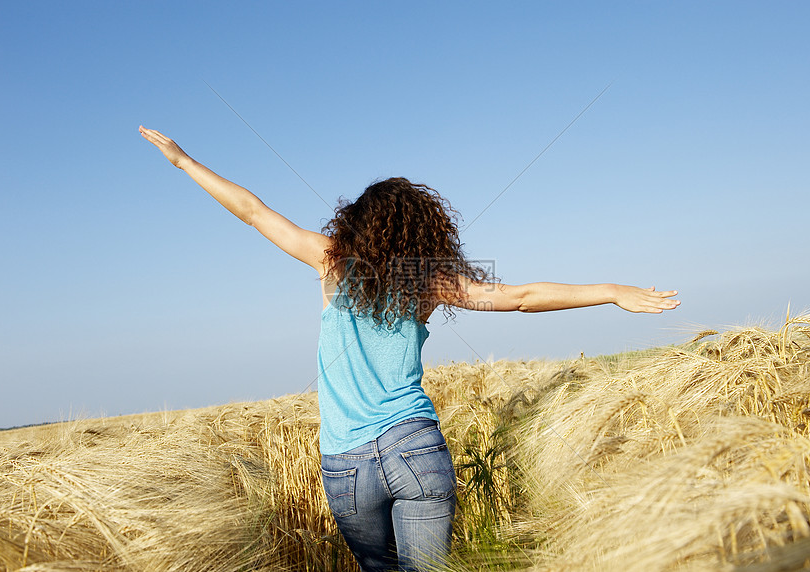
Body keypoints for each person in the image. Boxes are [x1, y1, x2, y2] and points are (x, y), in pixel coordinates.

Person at [139, 126, 680, 572]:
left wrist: (183, 161)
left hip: (345, 463)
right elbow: (519, 298)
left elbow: (253, 212)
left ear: (357, 226)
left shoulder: (332, 262)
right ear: (422, 233)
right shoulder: (426, 281)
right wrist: (611, 292)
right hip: (413, 447)